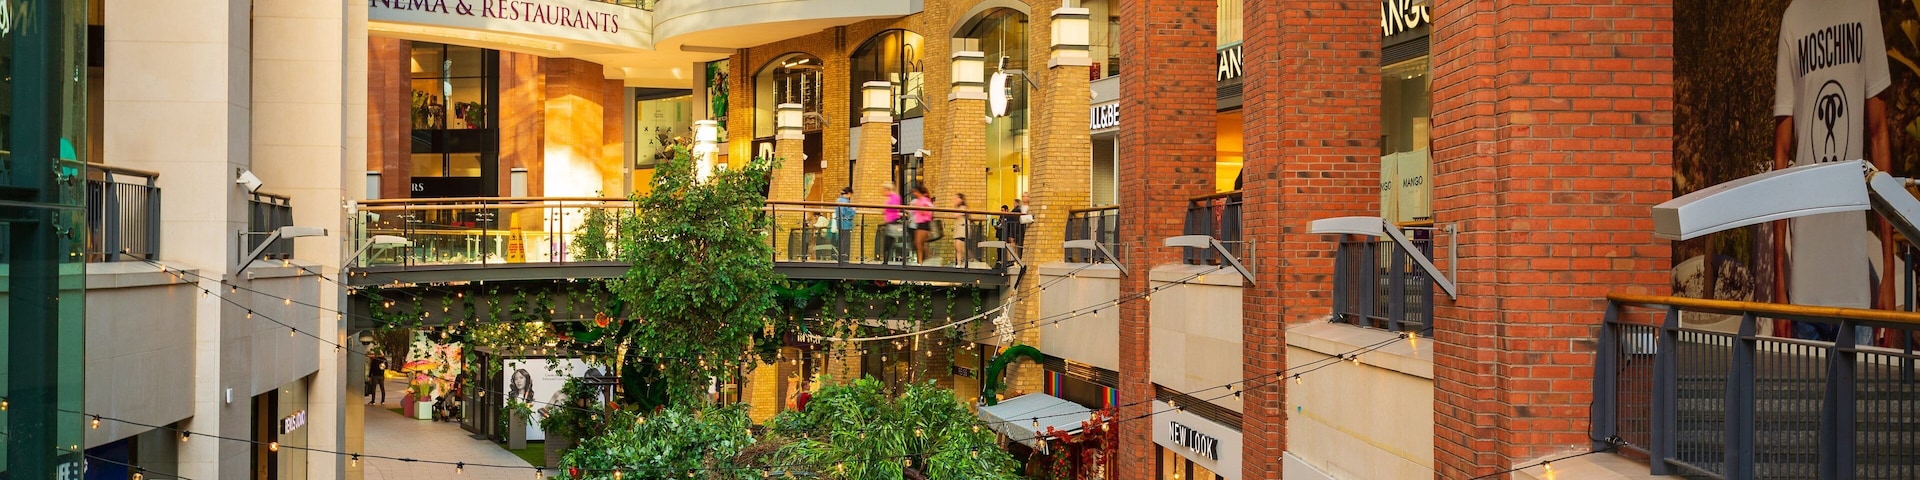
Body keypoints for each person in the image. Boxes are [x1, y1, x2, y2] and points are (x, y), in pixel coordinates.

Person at [1773, 0, 1890, 343]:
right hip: (1804, 290)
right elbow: (1781, 155)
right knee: (1802, 400)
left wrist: (1888, 273)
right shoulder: (1793, 18)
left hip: (1854, 289)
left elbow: (1879, 132)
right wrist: (1779, 281)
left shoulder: (1865, 8)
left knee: (1859, 398)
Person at [910, 185, 935, 264]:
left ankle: (924, 259)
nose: (914, 194)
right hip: (919, 223)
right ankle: (920, 261)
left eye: (915, 192)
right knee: (917, 243)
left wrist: (918, 207)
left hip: (924, 223)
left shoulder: (925, 200)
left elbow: (928, 211)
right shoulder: (918, 200)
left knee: (920, 243)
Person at [835, 187, 855, 261]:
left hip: (839, 224)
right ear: (849, 193)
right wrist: (853, 211)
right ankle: (844, 259)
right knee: (846, 243)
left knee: (841, 242)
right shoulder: (845, 201)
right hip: (846, 224)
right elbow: (846, 213)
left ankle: (840, 258)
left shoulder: (838, 200)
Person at [951, 193, 972, 266]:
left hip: (963, 229)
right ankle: (959, 263)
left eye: (956, 198)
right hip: (959, 229)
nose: (955, 200)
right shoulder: (959, 208)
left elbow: (955, 215)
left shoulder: (963, 207)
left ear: (961, 199)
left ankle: (969, 258)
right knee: (958, 247)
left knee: (960, 246)